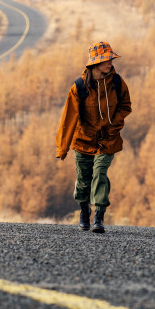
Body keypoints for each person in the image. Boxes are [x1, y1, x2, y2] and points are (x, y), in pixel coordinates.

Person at [56, 41, 132, 233]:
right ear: (95, 63)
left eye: (111, 59)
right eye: (106, 60)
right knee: (83, 179)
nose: (110, 63)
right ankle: (84, 211)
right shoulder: (79, 87)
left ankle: (98, 216)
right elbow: (68, 119)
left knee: (100, 173)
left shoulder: (117, 82)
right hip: (83, 141)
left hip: (108, 140)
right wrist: (62, 148)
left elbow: (125, 106)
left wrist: (115, 124)